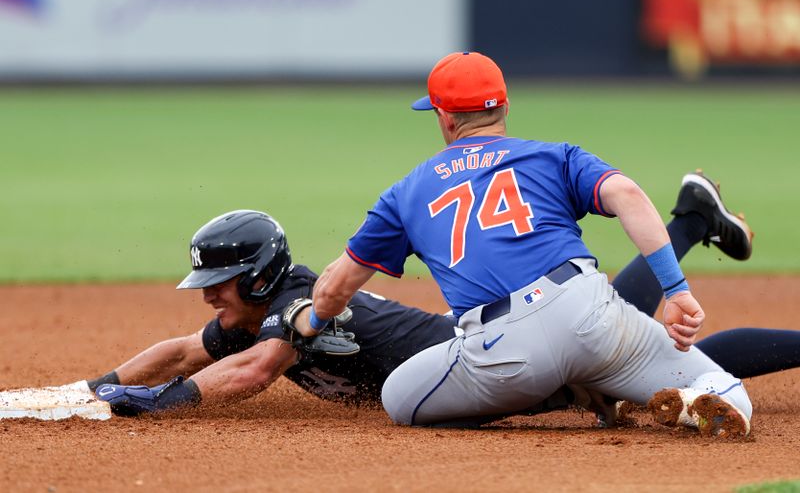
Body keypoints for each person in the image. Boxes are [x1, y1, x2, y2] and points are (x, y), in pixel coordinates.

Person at [300, 52, 756, 438]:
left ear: (444, 117)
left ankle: (562, 394)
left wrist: (314, 321)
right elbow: (628, 196)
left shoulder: (406, 192)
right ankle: (693, 400)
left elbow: (335, 287)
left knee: (399, 397)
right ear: (505, 107)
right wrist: (675, 290)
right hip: (590, 314)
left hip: (504, 352)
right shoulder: (555, 156)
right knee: (722, 387)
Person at [92, 184, 799, 427]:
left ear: (257, 278)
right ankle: (691, 220)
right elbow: (182, 349)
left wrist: (165, 403)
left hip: (491, 364)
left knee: (637, 352)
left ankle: (688, 223)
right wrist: (100, 388)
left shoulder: (304, 305)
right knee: (619, 324)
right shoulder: (248, 311)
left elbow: (248, 375)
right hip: (483, 362)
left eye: (219, 282)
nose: (210, 298)